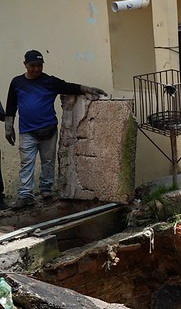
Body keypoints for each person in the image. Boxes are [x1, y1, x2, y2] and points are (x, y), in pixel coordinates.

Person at [4, 50, 106, 210]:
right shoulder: (17, 82)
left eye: (40, 65)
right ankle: (25, 195)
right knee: (26, 163)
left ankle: (46, 190)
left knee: (48, 162)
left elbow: (69, 86)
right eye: (33, 66)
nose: (37, 69)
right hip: (27, 132)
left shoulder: (50, 81)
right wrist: (8, 127)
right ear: (25, 64)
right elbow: (11, 106)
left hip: (48, 130)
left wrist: (88, 89)